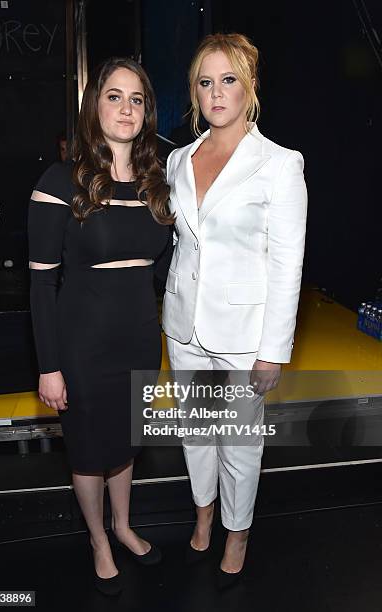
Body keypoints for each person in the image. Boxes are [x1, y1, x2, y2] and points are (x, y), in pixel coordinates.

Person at [162, 33, 308, 589]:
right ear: (195, 92)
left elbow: (287, 264)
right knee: (196, 433)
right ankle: (203, 512)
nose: (216, 93)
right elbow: (181, 244)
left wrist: (274, 350)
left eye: (228, 80)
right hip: (184, 323)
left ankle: (237, 530)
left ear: (250, 86)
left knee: (241, 442)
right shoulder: (179, 159)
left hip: (245, 330)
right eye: (205, 82)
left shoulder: (278, 164)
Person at [28, 57, 174, 596]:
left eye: (136, 99)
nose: (126, 108)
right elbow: (42, 285)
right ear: (95, 106)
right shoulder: (58, 182)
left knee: (126, 444)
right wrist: (50, 366)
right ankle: (98, 539)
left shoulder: (157, 184)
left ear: (146, 112)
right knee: (90, 452)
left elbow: (162, 269)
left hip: (138, 340)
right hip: (82, 347)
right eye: (114, 96)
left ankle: (124, 525)